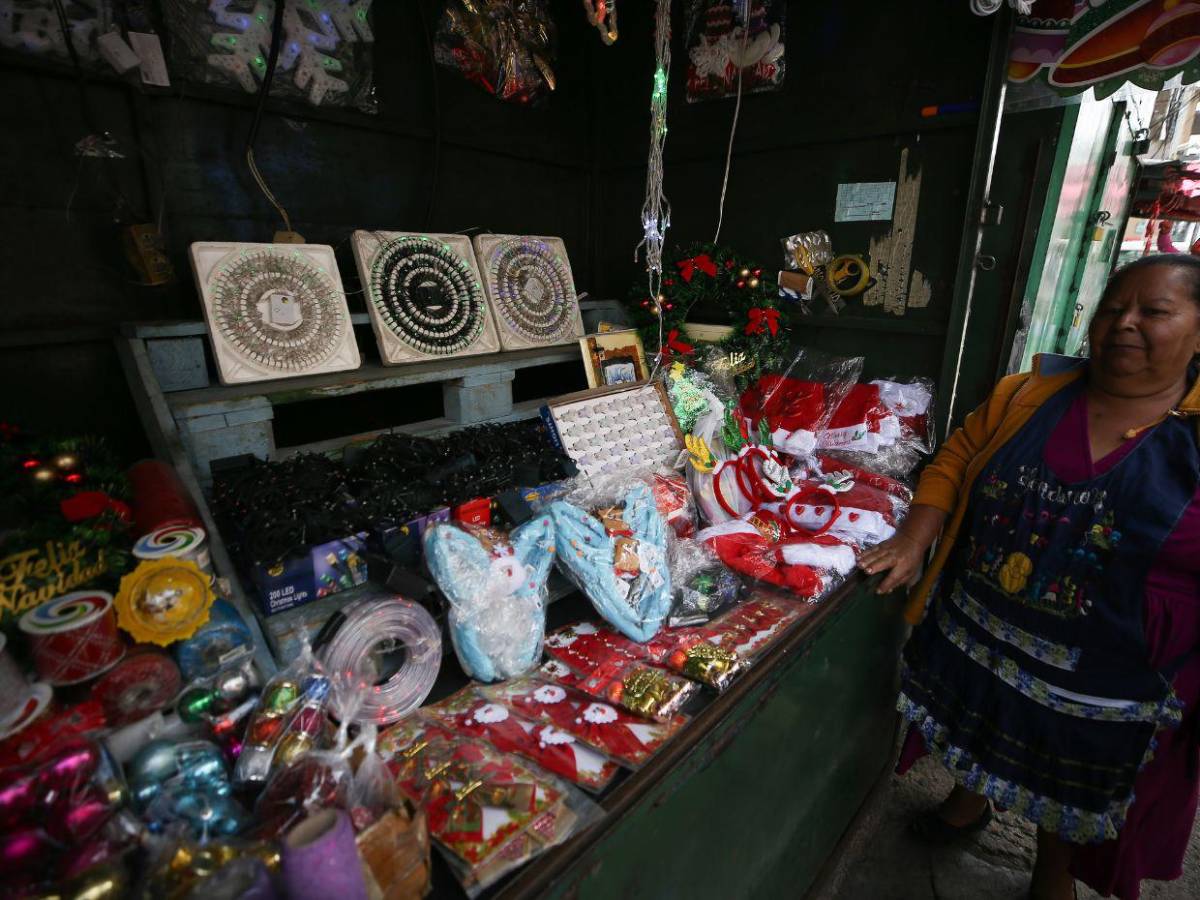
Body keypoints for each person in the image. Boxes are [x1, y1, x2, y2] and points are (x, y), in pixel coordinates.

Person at [860, 254, 1200, 900]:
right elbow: (958, 454)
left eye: (1153, 311)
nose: (1124, 323)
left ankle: (1053, 874)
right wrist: (916, 534)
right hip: (982, 627)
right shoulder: (1030, 393)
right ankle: (968, 803)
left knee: (1066, 772)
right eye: (1112, 308)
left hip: (1105, 671)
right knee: (978, 721)